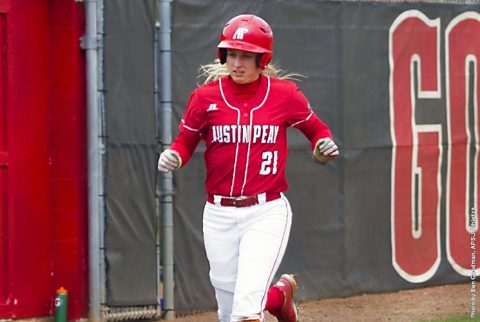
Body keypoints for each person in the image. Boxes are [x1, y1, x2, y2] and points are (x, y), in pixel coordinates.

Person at [158, 14, 338, 322]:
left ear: (262, 59)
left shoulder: (284, 94)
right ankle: (278, 297)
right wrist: (174, 154)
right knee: (229, 310)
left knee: (244, 311)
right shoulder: (204, 98)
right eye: (231, 53)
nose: (237, 62)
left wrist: (323, 148)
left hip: (265, 211)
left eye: (246, 56)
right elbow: (185, 143)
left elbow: (318, 132)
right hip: (218, 214)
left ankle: (268, 300)